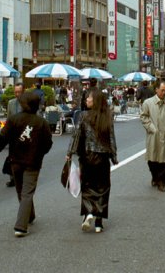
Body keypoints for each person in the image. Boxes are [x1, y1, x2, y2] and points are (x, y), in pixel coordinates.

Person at [0, 92, 53, 237]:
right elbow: (48, 144)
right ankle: (24, 222)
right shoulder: (41, 122)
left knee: (21, 192)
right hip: (33, 161)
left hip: (15, 160)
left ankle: (25, 220)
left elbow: (3, 137)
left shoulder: (14, 119)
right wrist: (39, 153)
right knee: (27, 193)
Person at [67, 88, 118, 233]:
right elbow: (111, 138)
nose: (86, 100)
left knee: (87, 186)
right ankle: (99, 223)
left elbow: (76, 136)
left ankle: (88, 213)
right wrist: (114, 156)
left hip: (87, 156)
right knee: (103, 188)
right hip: (102, 157)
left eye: (89, 98)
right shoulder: (107, 117)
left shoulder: (83, 116)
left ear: (95, 100)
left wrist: (69, 153)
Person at [140, 81, 165, 192]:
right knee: (152, 160)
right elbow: (144, 117)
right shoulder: (148, 103)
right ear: (156, 90)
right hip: (153, 135)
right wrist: (152, 128)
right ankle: (155, 177)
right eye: (162, 90)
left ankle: (162, 182)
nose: (164, 93)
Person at [3, 82, 26, 187]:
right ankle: (12, 178)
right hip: (13, 135)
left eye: (19, 92)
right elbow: (8, 119)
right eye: (16, 92)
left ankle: (23, 177)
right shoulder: (11, 103)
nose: (17, 94)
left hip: (25, 135)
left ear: (24, 91)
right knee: (12, 157)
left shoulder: (28, 103)